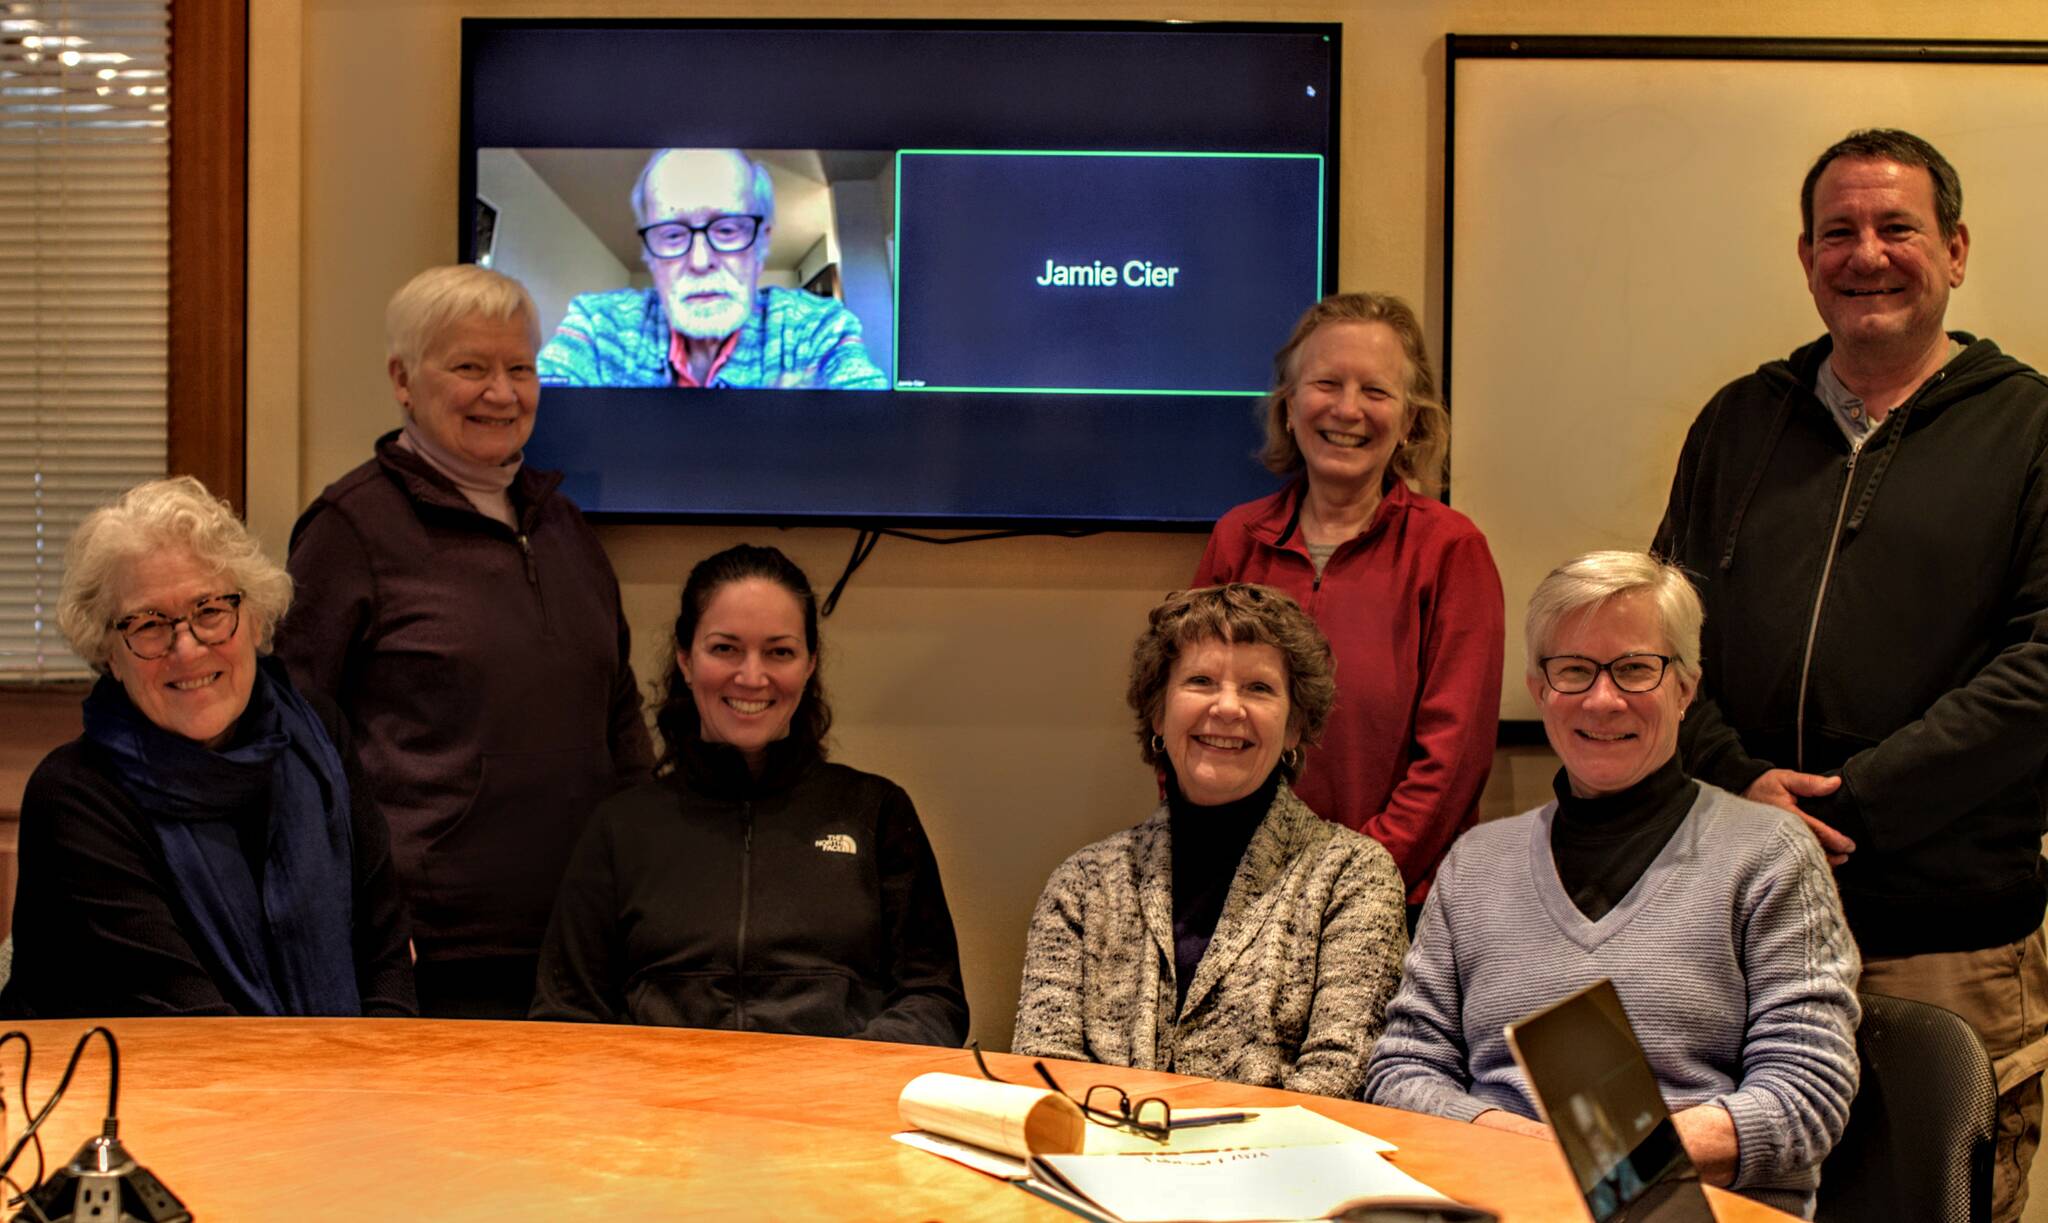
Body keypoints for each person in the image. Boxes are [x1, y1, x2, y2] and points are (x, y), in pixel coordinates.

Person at [1652, 127, 2048, 1222]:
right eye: (1837, 232)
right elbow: (1658, 634)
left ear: (1955, 250)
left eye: (1894, 228)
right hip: (1739, 921)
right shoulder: (1740, 420)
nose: (1863, 253)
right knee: (1745, 1204)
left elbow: (2043, 664)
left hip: (1943, 935)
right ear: (1803, 254)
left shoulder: (2029, 427)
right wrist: (1740, 781)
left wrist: (1851, 803)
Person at [1364, 552, 1860, 1215]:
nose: (1603, 699)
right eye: (1574, 670)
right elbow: (1401, 1070)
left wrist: (1613, 1157)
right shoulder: (1475, 864)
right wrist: (1534, 1148)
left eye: (1634, 668)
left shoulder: (1770, 856)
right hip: (1499, 1200)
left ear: (1685, 688)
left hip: (1699, 1211)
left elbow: (1807, 1093)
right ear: (1539, 688)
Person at [275, 264, 654, 1020]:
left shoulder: (565, 528)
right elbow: (298, 742)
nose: (502, 392)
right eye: (470, 367)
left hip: (578, 941)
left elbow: (619, 722)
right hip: (428, 952)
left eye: (520, 367)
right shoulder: (349, 529)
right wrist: (359, 917)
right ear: (403, 379)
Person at [1, 477, 414, 1018]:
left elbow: (385, 950)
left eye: (211, 610)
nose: (188, 648)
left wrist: (385, 1079)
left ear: (256, 616)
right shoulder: (76, 797)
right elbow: (185, 1020)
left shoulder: (314, 730)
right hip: (132, 1090)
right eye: (149, 624)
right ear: (109, 653)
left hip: (337, 1082)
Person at [531, 545, 968, 1044]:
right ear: (685, 658)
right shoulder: (620, 827)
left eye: (779, 651)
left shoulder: (877, 811)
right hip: (660, 1115)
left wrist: (844, 1076)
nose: (752, 676)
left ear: (809, 664)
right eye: (725, 648)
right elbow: (565, 1018)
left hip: (833, 1110)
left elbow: (934, 1000)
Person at [1013, 584, 1407, 1098]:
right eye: (1200, 681)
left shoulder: (1353, 877)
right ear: (1158, 712)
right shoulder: (1083, 884)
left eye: (1259, 689)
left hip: (1279, 1170)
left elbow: (1340, 1079)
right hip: (1097, 1168)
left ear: (1294, 727)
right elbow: (1044, 1075)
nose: (1227, 708)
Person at [1194, 293, 1503, 917]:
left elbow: (1453, 759)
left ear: (1412, 420)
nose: (1347, 409)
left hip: (1396, 901)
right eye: (1326, 383)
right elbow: (1189, 713)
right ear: (1288, 406)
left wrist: (1353, 883)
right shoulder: (1237, 538)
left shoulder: (1451, 550)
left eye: (1377, 391)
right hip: (1239, 893)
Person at [538, 148, 887, 390]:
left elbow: (876, 441)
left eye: (727, 229)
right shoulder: (598, 325)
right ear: (649, 253)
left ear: (762, 243)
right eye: (673, 234)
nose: (701, 261)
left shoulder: (817, 326)